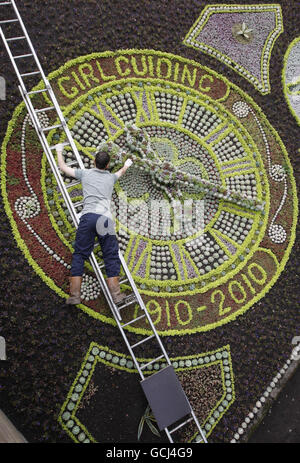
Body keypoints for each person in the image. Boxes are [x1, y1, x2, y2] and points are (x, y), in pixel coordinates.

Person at [55, 143, 133, 305]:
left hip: (88, 217)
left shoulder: (85, 174)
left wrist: (59, 150)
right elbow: (121, 172)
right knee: (111, 255)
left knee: (80, 254)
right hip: (104, 219)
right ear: (108, 165)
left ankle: (75, 295)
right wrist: (126, 164)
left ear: (93, 162)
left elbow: (62, 167)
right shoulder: (111, 177)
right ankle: (117, 295)